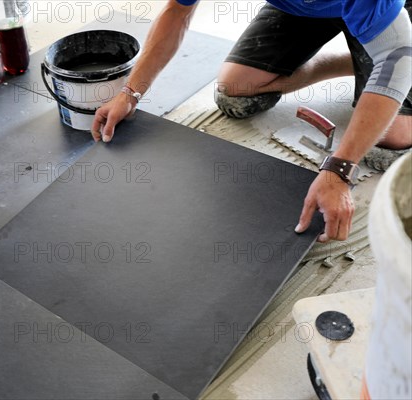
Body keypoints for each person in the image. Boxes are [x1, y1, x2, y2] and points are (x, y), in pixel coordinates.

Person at [91, 0, 412, 243]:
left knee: (391, 141)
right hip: (304, 9)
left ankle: (371, 62)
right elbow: (177, 11)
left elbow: (397, 57)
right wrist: (130, 92)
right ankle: (355, 66)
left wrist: (340, 170)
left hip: (393, 18)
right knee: (236, 91)